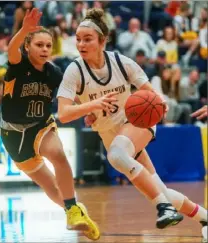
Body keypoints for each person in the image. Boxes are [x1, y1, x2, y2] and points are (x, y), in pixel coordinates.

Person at [57, 8, 207, 239]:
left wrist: (161, 102)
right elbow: (64, 114)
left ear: (103, 41)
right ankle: (204, 217)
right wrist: (92, 107)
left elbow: (151, 95)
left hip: (137, 122)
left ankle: (163, 208)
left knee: (116, 155)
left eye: (87, 39)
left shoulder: (121, 62)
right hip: (109, 132)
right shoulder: (74, 70)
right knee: (161, 190)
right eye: (78, 39)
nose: (81, 44)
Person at [0, 8, 99, 241]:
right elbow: (11, 49)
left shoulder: (53, 72)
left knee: (57, 154)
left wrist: (88, 109)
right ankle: (76, 212)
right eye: (39, 45)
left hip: (40, 126)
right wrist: (25, 29)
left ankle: (73, 208)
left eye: (47, 45)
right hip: (13, 135)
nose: (45, 49)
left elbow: (71, 95)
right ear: (28, 47)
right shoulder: (18, 65)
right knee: (51, 189)